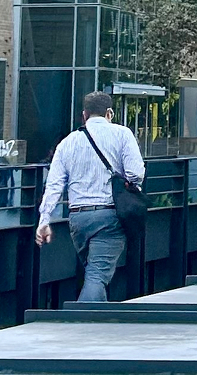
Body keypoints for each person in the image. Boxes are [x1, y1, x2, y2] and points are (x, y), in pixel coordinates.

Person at [36, 92, 146, 303]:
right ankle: (80, 322)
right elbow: (136, 174)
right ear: (109, 113)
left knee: (95, 273)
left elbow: (54, 184)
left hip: (78, 219)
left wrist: (44, 220)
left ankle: (97, 324)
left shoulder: (67, 143)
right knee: (97, 275)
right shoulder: (122, 134)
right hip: (110, 216)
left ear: (84, 115)